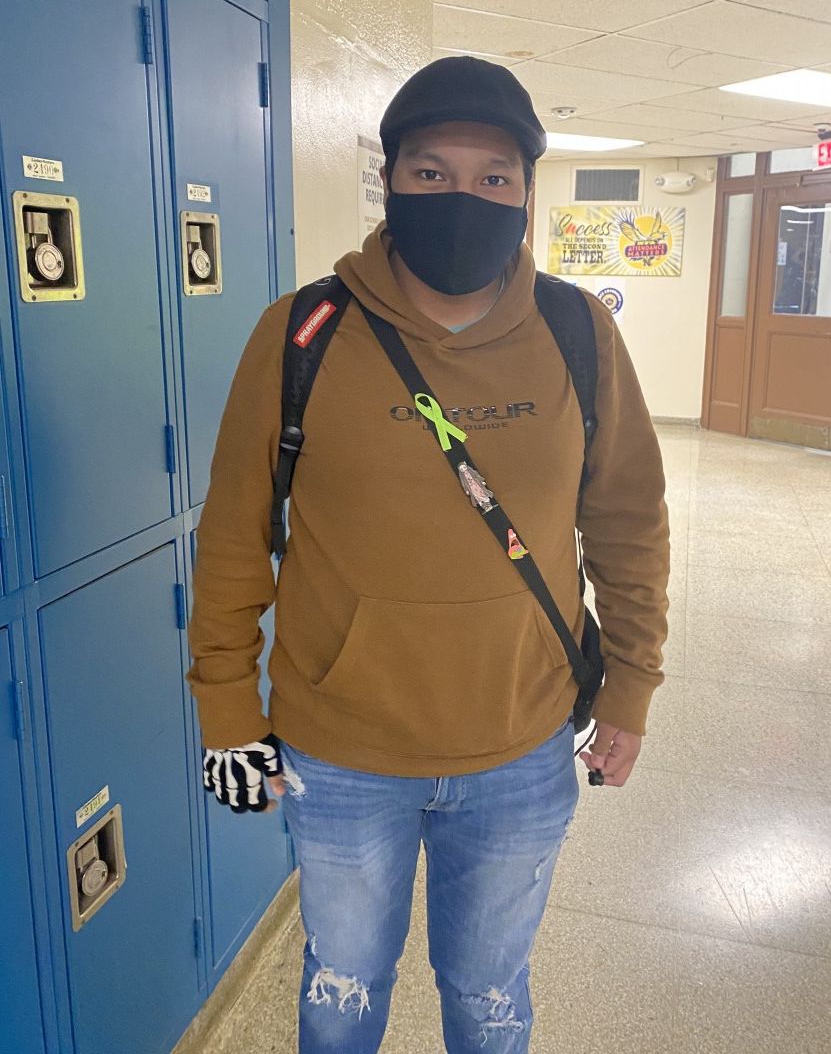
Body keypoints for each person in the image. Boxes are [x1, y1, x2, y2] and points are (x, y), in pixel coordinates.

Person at [186, 55, 670, 1053]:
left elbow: (629, 519)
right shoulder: (305, 333)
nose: (464, 195)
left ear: (526, 193)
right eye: (431, 171)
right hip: (343, 748)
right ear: (390, 182)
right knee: (343, 990)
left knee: (491, 997)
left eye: (495, 176)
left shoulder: (577, 333)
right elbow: (237, 533)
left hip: (522, 745)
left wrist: (631, 691)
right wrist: (228, 712)